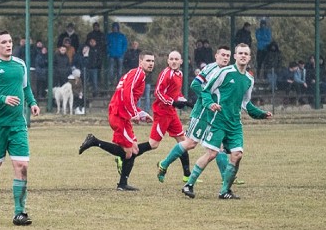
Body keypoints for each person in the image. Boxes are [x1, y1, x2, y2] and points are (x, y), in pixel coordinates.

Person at [181, 44, 271, 199]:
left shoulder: (249, 79)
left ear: (249, 58)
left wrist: (261, 114)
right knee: (212, 154)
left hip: (235, 124)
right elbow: (206, 90)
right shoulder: (224, 72)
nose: (243, 56)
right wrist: (210, 104)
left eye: (246, 54)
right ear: (235, 56)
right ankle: (189, 184)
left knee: (237, 155)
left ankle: (224, 191)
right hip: (219, 121)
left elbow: (246, 104)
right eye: (240, 53)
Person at [0, 30, 40, 225]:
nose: (8, 45)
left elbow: (26, 87)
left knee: (22, 166)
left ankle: (19, 213)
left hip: (18, 125)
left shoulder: (20, 65)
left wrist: (32, 103)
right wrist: (3, 99)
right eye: (3, 42)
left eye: (10, 41)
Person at [157, 46, 234, 185]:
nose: (225, 58)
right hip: (203, 112)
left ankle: (226, 179)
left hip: (216, 114)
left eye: (228, 55)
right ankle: (164, 163)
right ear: (216, 56)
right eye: (222, 55)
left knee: (218, 146)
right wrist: (208, 100)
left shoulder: (228, 71)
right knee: (190, 143)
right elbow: (195, 85)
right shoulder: (210, 68)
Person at [78, 52, 155, 191]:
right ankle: (94, 141)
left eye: (152, 61)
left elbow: (128, 98)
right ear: (140, 61)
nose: (151, 63)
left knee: (133, 150)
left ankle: (122, 184)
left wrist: (142, 114)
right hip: (119, 115)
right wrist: (134, 113)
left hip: (123, 116)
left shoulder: (135, 74)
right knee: (129, 151)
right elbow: (127, 93)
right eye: (148, 60)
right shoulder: (138, 74)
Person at [140, 51, 192, 179]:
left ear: (181, 61)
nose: (174, 61)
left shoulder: (180, 73)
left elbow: (176, 92)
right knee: (153, 144)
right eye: (171, 59)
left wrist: (186, 102)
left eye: (176, 59)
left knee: (183, 142)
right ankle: (125, 154)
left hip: (171, 112)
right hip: (162, 112)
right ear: (168, 61)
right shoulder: (166, 73)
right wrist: (173, 102)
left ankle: (187, 175)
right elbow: (158, 92)